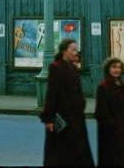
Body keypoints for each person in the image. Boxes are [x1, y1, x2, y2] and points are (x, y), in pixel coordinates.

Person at [39, 38, 94, 167]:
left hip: (76, 117)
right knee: (61, 153)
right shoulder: (56, 68)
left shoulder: (72, 67)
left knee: (78, 150)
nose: (76, 52)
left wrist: (81, 103)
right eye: (73, 49)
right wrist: (48, 119)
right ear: (64, 51)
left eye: (76, 49)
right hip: (63, 118)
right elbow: (51, 95)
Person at [94, 57, 124, 167]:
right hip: (111, 131)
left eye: (119, 67)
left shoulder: (123, 86)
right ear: (108, 69)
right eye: (114, 67)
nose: (117, 70)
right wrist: (110, 125)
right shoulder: (103, 87)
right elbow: (101, 110)